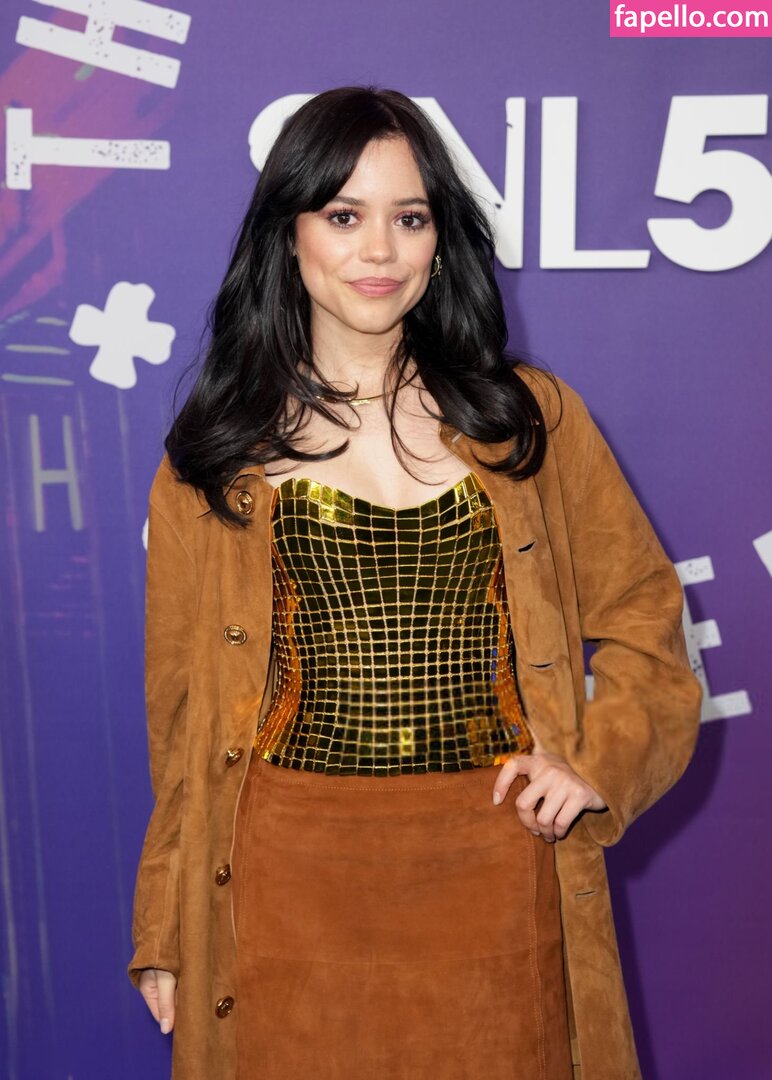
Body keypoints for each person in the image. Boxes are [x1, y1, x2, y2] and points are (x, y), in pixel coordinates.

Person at [127, 85, 702, 1080]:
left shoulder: (528, 422)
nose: (380, 251)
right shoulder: (214, 458)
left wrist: (594, 762)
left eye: (409, 217)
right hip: (281, 889)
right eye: (344, 216)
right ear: (289, 235)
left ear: (441, 239)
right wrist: (165, 927)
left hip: (496, 874)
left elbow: (648, 624)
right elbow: (180, 723)